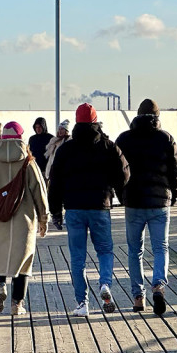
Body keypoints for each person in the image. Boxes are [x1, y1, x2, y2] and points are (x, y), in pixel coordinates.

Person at [47, 103, 129, 317]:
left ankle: (82, 303)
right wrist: (116, 191)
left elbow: (54, 182)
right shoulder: (108, 146)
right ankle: (104, 284)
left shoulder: (66, 149)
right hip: (100, 206)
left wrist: (55, 211)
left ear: (76, 122)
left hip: (74, 208)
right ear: (95, 121)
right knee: (104, 250)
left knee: (77, 257)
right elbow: (124, 173)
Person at [0, 121, 48, 316]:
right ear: (21, 137)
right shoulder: (28, 161)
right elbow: (39, 190)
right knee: (23, 261)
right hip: (24, 219)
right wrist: (43, 218)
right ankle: (17, 304)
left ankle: (0, 286)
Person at [115, 99, 177, 315]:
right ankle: (159, 285)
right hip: (160, 202)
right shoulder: (166, 138)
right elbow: (175, 170)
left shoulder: (124, 139)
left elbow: (117, 170)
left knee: (135, 251)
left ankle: (137, 297)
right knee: (161, 246)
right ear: (157, 117)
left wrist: (120, 194)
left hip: (133, 202)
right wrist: (174, 195)